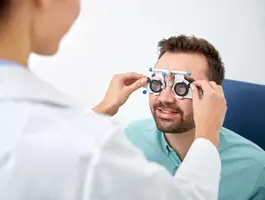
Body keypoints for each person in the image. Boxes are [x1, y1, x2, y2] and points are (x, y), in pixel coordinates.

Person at [0, 1, 227, 200]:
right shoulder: (96, 148)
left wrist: (101, 110)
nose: (79, 8)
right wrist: (207, 138)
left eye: (182, 87)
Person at [94, 35, 265, 200]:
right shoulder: (132, 136)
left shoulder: (256, 169)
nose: (164, 98)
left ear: (214, 95)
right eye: (157, 83)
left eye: (182, 87)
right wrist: (104, 108)